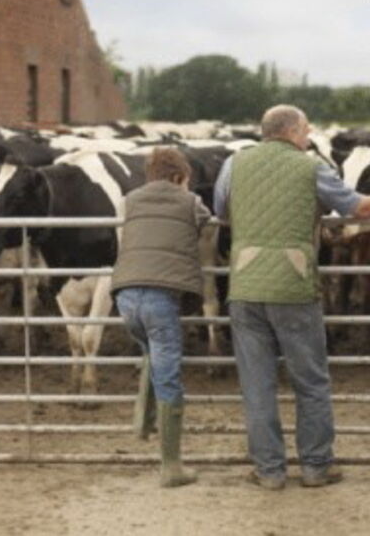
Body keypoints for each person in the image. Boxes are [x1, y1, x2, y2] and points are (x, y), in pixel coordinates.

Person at [214, 104, 370, 490]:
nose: (309, 136)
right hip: (294, 284)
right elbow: (357, 207)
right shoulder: (312, 167)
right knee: (311, 381)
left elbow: (222, 211)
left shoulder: (233, 164)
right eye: (305, 130)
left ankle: (269, 471)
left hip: (245, 285)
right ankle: (316, 466)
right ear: (291, 132)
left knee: (257, 385)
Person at [112, 147, 211, 488]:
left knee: (152, 357)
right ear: (180, 177)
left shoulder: (129, 200)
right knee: (168, 374)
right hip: (161, 297)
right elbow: (204, 221)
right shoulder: (191, 202)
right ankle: (171, 466)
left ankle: (143, 422)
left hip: (125, 296)